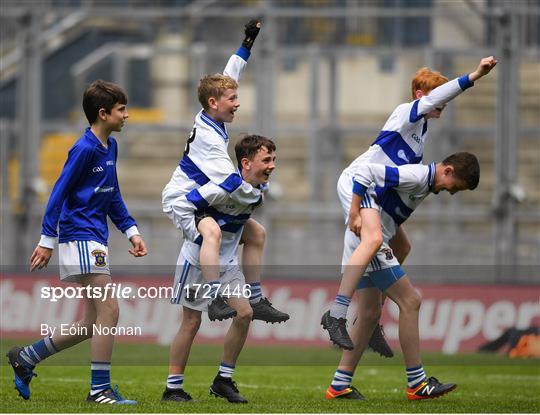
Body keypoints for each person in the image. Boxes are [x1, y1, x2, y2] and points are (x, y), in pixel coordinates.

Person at [325, 56, 498, 354]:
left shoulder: (421, 131)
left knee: (402, 246)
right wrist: (475, 76)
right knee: (375, 239)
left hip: (374, 194)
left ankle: (372, 318)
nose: (442, 103)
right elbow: (440, 96)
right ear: (421, 96)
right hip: (360, 182)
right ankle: (336, 313)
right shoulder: (408, 113)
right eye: (435, 97)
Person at [7, 80, 147, 405]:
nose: (127, 115)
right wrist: (46, 240)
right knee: (110, 311)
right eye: (121, 109)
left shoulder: (109, 147)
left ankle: (26, 357)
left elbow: (112, 195)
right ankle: (99, 391)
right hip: (80, 236)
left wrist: (131, 230)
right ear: (103, 113)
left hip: (94, 237)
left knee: (89, 322)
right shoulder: (83, 149)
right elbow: (59, 192)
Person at [323, 152, 480, 400]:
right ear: (448, 171)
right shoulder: (417, 175)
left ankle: (340, 385)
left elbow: (386, 209)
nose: (452, 193)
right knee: (411, 301)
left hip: (366, 241)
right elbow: (365, 172)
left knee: (370, 314)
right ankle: (417, 382)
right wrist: (354, 213)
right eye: (455, 187)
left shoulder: (424, 183)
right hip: (370, 243)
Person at [162, 20, 288, 324]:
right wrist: (257, 195)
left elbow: (231, 73)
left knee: (256, 232)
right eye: (232, 100)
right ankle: (215, 294)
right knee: (213, 232)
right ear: (213, 103)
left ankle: (255, 299)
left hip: (202, 195)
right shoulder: (210, 141)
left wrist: (247, 44)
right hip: (184, 200)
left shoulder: (211, 115)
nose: (237, 103)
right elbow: (233, 183)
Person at [162, 135, 277, 404]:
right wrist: (200, 223)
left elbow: (241, 223)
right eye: (267, 160)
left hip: (227, 263)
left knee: (245, 313)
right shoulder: (223, 186)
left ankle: (223, 381)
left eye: (274, 160)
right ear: (246, 164)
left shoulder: (260, 188)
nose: (272, 166)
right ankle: (173, 388)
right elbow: (187, 202)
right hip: (197, 262)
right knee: (191, 323)